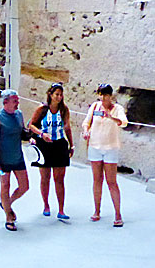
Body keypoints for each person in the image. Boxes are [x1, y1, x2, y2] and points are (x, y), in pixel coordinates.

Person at [82, 84, 128, 227]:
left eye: (105, 95)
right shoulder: (95, 107)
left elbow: (123, 123)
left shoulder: (118, 109)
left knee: (111, 181)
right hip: (95, 146)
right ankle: (96, 210)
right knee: (97, 179)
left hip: (110, 148)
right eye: (100, 95)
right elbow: (86, 123)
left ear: (110, 96)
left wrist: (111, 117)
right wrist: (86, 131)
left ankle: (118, 214)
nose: (102, 98)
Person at [27, 83, 74, 220]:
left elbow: (67, 127)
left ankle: (61, 209)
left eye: (61, 94)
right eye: (56, 94)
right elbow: (32, 125)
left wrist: (71, 145)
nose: (59, 97)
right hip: (44, 144)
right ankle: (46, 205)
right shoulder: (42, 109)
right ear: (50, 95)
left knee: (59, 179)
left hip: (59, 144)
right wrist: (41, 134)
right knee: (45, 177)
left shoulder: (64, 110)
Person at [0, 89, 30, 231]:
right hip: (3, 159)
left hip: (17, 156)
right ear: (6, 102)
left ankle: (7, 203)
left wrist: (29, 136)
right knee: (5, 186)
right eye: (15, 101)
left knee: (24, 186)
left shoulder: (19, 115)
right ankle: (8, 216)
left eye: (17, 101)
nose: (17, 103)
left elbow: (22, 132)